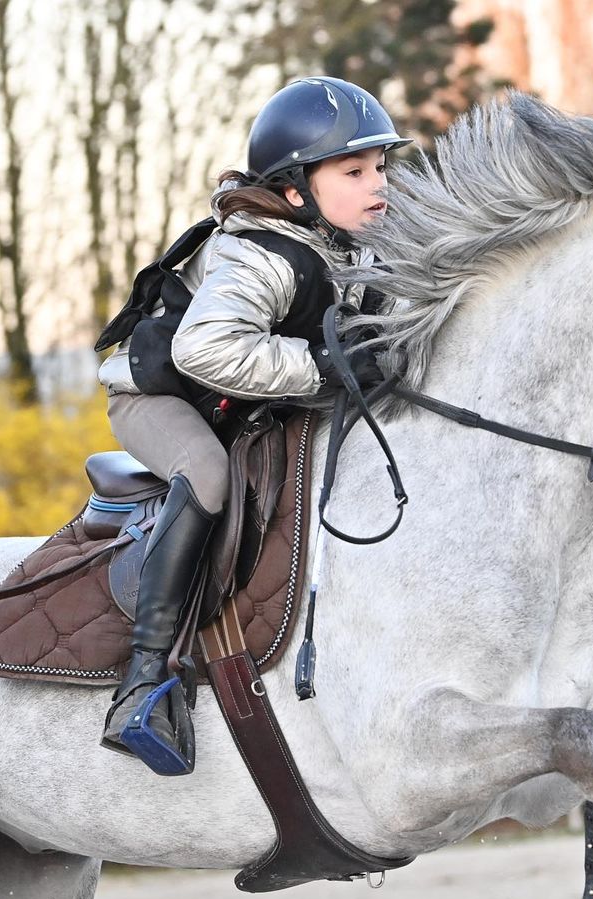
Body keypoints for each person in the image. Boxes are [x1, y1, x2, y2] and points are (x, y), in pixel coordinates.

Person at [96, 76, 411, 776]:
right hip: (160, 397)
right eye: (354, 172)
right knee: (206, 473)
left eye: (381, 168)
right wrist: (324, 368)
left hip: (246, 401)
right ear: (296, 190)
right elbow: (202, 351)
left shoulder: (352, 244)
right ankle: (144, 679)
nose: (377, 184)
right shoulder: (258, 251)